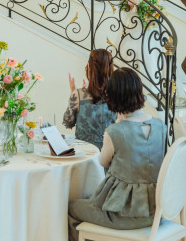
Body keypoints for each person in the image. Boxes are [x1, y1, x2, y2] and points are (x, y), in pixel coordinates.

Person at [68, 67, 165, 241]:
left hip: (124, 215)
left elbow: (103, 162)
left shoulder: (115, 132)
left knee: (71, 207)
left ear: (113, 96)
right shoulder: (161, 126)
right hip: (158, 211)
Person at [116, 0, 174, 91]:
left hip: (149, 13)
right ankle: (131, 84)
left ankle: (150, 85)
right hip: (135, 13)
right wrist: (130, 1)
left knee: (150, 46)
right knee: (134, 45)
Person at [62, 49, 116, 150]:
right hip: (111, 154)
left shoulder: (78, 95)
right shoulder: (117, 95)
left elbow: (68, 122)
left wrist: (74, 92)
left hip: (85, 155)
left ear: (89, 67)